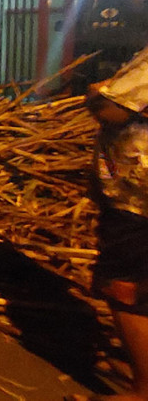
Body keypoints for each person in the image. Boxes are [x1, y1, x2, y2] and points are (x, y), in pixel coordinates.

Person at [84, 43, 148, 400]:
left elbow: (112, 108)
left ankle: (143, 390)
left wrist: (95, 95)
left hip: (138, 197)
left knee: (125, 286)